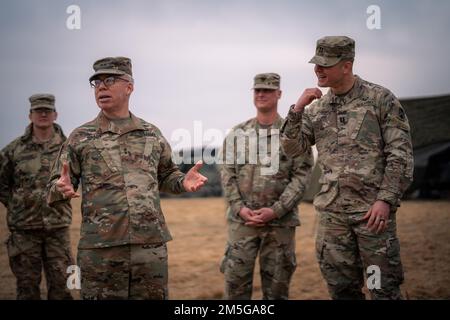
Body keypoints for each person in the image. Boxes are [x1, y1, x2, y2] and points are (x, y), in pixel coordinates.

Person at [47, 57, 207, 299]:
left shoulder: (151, 133)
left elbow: (166, 175)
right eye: (96, 82)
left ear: (129, 87)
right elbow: (54, 186)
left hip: (150, 247)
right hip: (101, 250)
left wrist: (182, 181)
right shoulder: (80, 137)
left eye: (109, 80)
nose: (101, 87)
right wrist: (60, 188)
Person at [280, 36, 414, 299]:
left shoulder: (380, 99)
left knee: (383, 290)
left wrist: (385, 200)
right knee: (342, 291)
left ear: (347, 65)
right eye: (316, 63)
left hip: (372, 215)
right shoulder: (316, 109)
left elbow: (400, 154)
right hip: (332, 217)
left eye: (326, 64)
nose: (318, 69)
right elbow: (292, 148)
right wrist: (296, 110)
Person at [219, 73, 314, 299]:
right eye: (257, 90)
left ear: (279, 94)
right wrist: (239, 207)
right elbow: (226, 172)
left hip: (279, 225)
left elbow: (302, 175)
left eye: (268, 90)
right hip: (242, 223)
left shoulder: (291, 133)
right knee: (235, 289)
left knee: (277, 292)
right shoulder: (238, 133)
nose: (261, 94)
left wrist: (276, 210)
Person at [0, 94, 73, 300]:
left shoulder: (69, 148)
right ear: (30, 115)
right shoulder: (13, 150)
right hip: (24, 231)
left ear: (55, 114)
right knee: (27, 289)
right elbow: (2, 184)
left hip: (58, 229)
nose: (43, 114)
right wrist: (18, 204)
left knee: (63, 287)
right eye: (38, 110)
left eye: (47, 110)